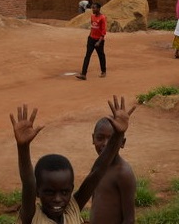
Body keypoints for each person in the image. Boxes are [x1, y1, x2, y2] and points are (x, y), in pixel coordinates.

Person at [11, 96, 133, 224]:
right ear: (37, 192)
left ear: (71, 190)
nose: (58, 199)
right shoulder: (32, 217)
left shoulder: (72, 209)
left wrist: (118, 135)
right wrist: (23, 147)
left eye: (64, 192)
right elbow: (28, 181)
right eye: (49, 192)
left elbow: (97, 172)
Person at [86, 112, 137, 224]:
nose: (105, 144)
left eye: (112, 139)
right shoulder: (98, 168)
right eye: (100, 138)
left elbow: (129, 219)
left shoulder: (123, 173)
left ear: (122, 143)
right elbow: (95, 200)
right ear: (93, 138)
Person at [76, 2, 107, 80]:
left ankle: (103, 71)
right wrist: (90, 37)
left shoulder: (102, 18)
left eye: (94, 8)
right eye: (92, 8)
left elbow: (103, 32)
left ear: (99, 9)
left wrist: (99, 42)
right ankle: (83, 74)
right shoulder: (92, 16)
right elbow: (92, 28)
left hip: (98, 40)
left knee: (101, 56)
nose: (93, 9)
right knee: (87, 56)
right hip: (91, 39)